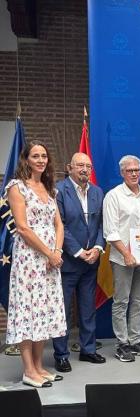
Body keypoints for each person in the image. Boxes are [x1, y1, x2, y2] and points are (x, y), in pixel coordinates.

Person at [5, 140, 66, 387]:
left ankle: (40, 366)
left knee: (44, 310)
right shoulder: (16, 187)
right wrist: (48, 253)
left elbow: (59, 224)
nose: (41, 160)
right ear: (26, 159)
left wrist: (57, 251)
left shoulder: (50, 188)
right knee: (28, 309)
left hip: (51, 259)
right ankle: (28, 370)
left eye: (44, 156)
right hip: (29, 258)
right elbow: (22, 228)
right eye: (35, 156)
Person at [52, 152, 106, 373]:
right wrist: (77, 251)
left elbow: (103, 223)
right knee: (63, 310)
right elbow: (60, 225)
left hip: (91, 261)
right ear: (69, 167)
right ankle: (61, 354)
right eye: (80, 165)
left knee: (87, 309)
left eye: (88, 166)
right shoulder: (58, 190)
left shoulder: (97, 192)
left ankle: (88, 349)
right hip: (68, 262)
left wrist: (98, 248)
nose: (85, 169)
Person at [103, 155, 140, 362]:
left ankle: (135, 340)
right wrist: (126, 254)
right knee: (121, 301)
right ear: (122, 173)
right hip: (122, 258)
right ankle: (122, 344)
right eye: (129, 171)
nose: (134, 173)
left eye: (136, 170)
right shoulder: (113, 196)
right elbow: (110, 232)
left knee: (139, 300)